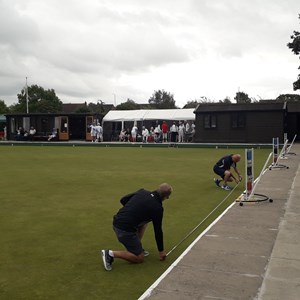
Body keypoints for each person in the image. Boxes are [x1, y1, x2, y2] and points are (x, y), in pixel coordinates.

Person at [101, 183, 173, 271]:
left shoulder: (142, 192)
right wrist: (161, 251)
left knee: (144, 222)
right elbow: (158, 230)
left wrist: (132, 211)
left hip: (117, 220)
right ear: (166, 197)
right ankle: (110, 254)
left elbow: (123, 200)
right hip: (124, 230)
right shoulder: (158, 208)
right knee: (139, 258)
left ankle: (137, 247)